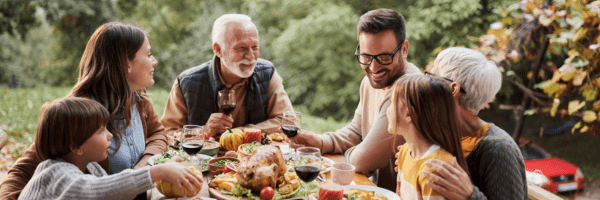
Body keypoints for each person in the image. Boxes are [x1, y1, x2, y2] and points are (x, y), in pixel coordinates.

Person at [0, 22, 169, 200]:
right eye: (149, 54)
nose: (154, 61)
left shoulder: (137, 96)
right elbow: (22, 171)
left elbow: (158, 133)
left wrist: (143, 166)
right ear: (126, 63)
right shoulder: (80, 113)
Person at [288, 9, 422, 191]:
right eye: (366, 57)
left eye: (384, 57)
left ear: (404, 49)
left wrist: (344, 156)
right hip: (367, 188)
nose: (373, 68)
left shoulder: (408, 90)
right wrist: (320, 143)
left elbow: (362, 161)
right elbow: (357, 130)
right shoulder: (370, 81)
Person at [18, 97, 202, 200]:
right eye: (100, 131)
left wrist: (166, 172)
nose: (110, 135)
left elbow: (115, 194)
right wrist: (156, 172)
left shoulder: (91, 167)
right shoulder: (54, 173)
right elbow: (98, 190)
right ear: (75, 146)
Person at [160, 14, 294, 137]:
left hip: (255, 159)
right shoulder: (187, 82)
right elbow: (167, 133)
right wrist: (204, 130)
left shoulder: (267, 73)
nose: (251, 56)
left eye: (255, 47)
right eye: (241, 48)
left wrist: (240, 133)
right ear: (218, 50)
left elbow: (289, 122)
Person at [421, 47, 527, 199]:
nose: (424, 82)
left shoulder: (500, 150)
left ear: (453, 89)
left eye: (431, 76)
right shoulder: (443, 134)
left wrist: (469, 195)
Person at [388, 75, 469, 199]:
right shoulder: (405, 151)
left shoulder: (434, 170)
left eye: (391, 103)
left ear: (409, 113)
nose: (387, 110)